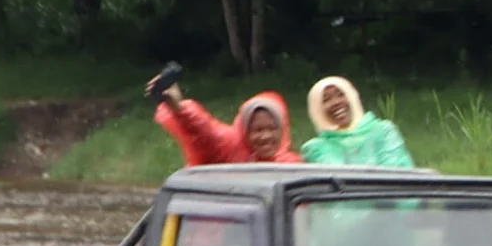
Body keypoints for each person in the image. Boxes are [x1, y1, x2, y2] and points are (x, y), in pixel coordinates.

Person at [146, 69, 300, 166]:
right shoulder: (229, 149)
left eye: (272, 128)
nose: (265, 136)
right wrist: (179, 108)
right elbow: (204, 132)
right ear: (245, 131)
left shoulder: (293, 166)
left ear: (283, 130)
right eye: (257, 130)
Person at [301, 75, 414, 167]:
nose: (336, 102)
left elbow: (395, 174)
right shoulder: (316, 148)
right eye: (326, 99)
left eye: (341, 94)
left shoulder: (383, 131)